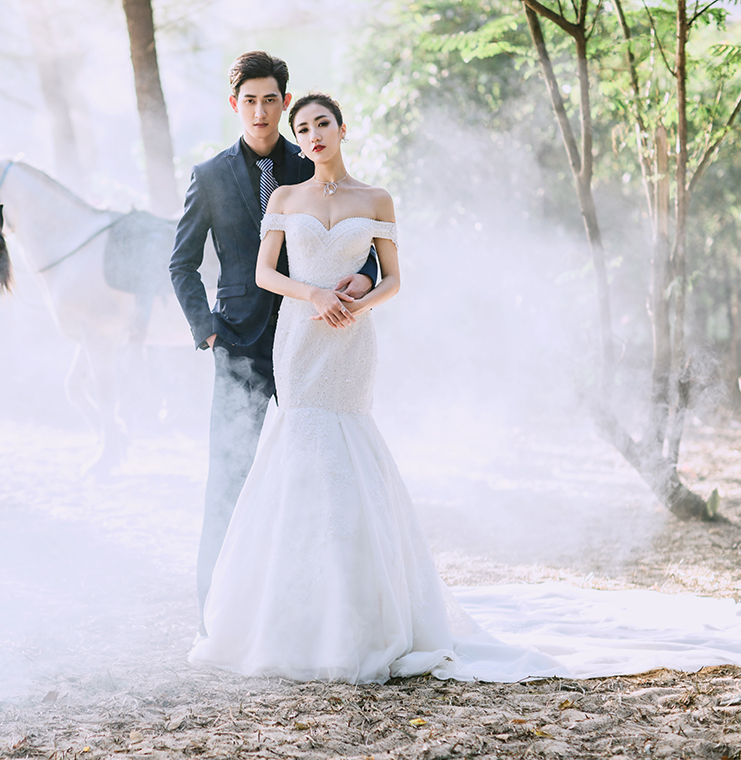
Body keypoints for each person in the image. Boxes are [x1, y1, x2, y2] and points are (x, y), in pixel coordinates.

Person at [188, 92, 741, 684]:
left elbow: (393, 278)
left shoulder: (375, 198)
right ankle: (292, 611)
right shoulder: (285, 197)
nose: (313, 134)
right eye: (303, 128)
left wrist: (358, 303)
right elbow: (263, 273)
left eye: (322, 123)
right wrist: (315, 294)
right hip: (300, 339)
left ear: (343, 129)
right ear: (298, 140)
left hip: (350, 342)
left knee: (349, 448)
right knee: (300, 448)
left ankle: (363, 609)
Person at [170, 52, 378, 630]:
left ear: (285, 103)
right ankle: (216, 609)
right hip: (238, 343)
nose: (260, 111)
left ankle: (310, 605)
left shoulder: (311, 158)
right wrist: (207, 330)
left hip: (312, 342)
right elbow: (182, 263)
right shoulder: (210, 175)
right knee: (230, 473)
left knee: (313, 470)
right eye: (249, 101)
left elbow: (360, 236)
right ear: (234, 105)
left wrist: (367, 278)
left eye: (270, 100)